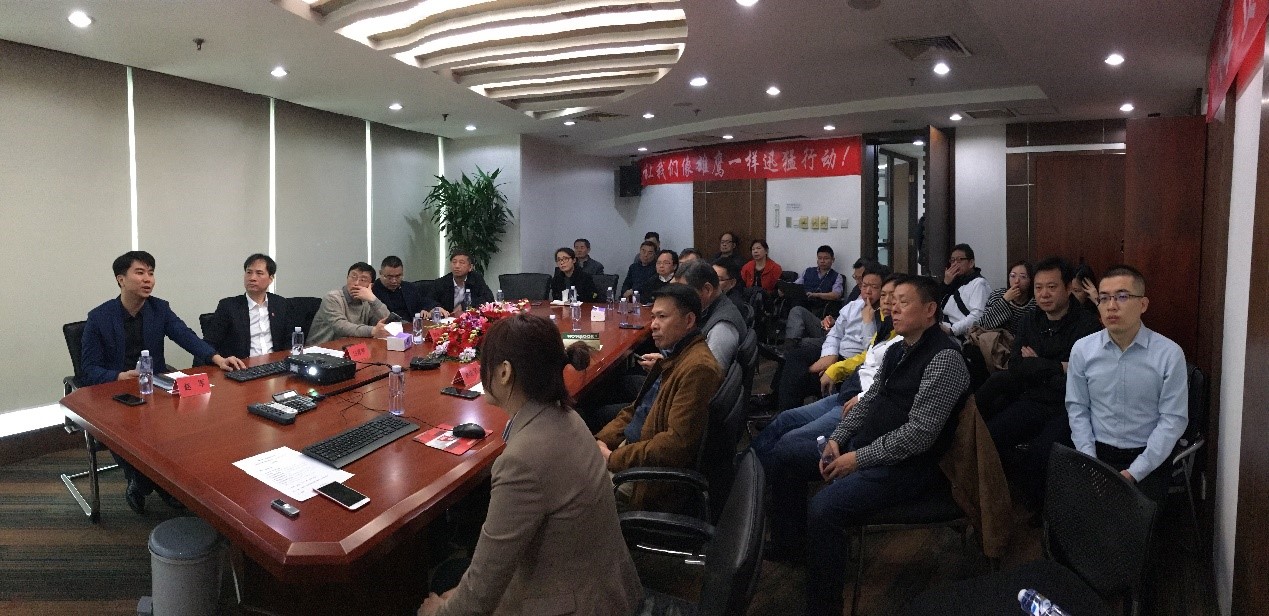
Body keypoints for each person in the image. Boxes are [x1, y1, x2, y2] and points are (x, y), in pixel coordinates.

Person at [765, 275, 970, 615]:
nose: (893, 308)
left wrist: (857, 459)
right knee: (786, 454)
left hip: (910, 467)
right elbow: (869, 400)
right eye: (893, 301)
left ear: (930, 309)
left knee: (825, 508)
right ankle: (793, 548)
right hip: (869, 447)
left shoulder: (945, 359)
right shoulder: (898, 349)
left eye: (904, 302)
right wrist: (838, 438)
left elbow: (919, 435)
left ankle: (824, 606)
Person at [418, 314, 642, 616]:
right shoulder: (567, 417)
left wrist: (436, 612)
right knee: (456, 576)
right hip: (605, 587)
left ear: (504, 372)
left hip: (574, 603)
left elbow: (478, 598)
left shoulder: (522, 462)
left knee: (442, 583)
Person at [81, 250, 246, 514]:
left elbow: (185, 335)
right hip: (116, 392)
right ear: (121, 279)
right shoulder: (99, 317)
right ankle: (139, 480)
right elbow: (89, 369)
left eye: (151, 273)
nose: (148, 279)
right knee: (125, 432)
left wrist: (217, 358)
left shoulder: (160, 309)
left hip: (154, 388)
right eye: (140, 273)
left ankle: (162, 482)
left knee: (184, 427)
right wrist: (119, 376)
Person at [751, 275, 901, 473]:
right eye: (883, 295)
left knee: (789, 439)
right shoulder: (876, 319)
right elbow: (839, 336)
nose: (887, 302)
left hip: (854, 394)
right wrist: (830, 358)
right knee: (788, 403)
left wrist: (845, 376)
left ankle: (755, 474)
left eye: (895, 298)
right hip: (844, 377)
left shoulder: (893, 331)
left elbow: (874, 368)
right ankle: (747, 462)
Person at [980, 258, 1100, 506]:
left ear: (1068, 287)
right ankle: (1011, 498)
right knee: (989, 437)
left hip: (1068, 407)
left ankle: (1043, 509)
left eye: (1052, 287)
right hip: (1033, 399)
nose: (1043, 294)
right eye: (1038, 287)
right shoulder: (1030, 320)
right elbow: (1016, 366)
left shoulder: (1087, 325)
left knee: (1042, 452)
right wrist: (1059, 366)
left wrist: (1037, 365)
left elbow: (1082, 380)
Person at [1066, 265, 1188, 503]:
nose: (1111, 306)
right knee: (1087, 518)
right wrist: (1089, 460)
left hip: (1149, 457)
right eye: (1103, 298)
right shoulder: (1082, 349)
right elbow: (1077, 408)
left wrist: (1135, 472)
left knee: (1136, 522)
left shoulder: (1169, 354)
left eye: (1122, 296)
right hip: (1096, 453)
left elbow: (1173, 420)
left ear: (1143, 304)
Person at [595, 284, 724, 508]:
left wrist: (612, 458)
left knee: (567, 495)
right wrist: (602, 441)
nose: (653, 324)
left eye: (662, 317)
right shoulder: (673, 356)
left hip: (643, 478)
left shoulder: (698, 369)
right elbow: (635, 410)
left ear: (689, 320)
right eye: (653, 316)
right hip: (631, 451)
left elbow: (675, 446)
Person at [775, 262, 886, 411]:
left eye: (874, 287)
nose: (868, 291)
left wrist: (867, 322)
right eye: (864, 285)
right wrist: (829, 356)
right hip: (837, 353)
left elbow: (872, 353)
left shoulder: (886, 316)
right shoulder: (854, 306)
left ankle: (787, 414)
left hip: (853, 363)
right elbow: (835, 334)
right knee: (794, 357)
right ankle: (782, 411)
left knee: (797, 376)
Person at [203, 253, 294, 361]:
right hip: (243, 366)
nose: (252, 278)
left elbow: (289, 341)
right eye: (249, 272)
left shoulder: (280, 304)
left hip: (275, 364)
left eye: (259, 273)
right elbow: (209, 345)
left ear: (271, 278)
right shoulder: (228, 306)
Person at [672, 259, 746, 367]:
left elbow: (707, 374)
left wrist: (668, 367)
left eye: (686, 293)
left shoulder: (722, 329)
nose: (681, 299)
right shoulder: (716, 306)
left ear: (707, 290)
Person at [310, 262, 392, 345]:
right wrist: (373, 331)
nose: (356, 283)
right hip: (321, 348)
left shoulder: (368, 301)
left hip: (350, 347)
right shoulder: (332, 298)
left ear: (371, 285)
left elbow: (389, 323)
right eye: (353, 277)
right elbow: (341, 327)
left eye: (363, 280)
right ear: (347, 278)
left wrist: (373, 300)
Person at [939, 243, 990, 338]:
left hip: (962, 335)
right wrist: (945, 283)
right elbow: (937, 303)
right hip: (945, 327)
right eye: (952, 260)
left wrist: (952, 330)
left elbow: (977, 315)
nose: (954, 264)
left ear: (971, 263)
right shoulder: (953, 281)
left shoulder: (979, 283)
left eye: (959, 260)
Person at [976, 259, 1035, 333]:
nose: (1016, 281)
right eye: (1013, 276)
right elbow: (983, 325)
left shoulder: (1035, 302)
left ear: (1031, 280)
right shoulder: (997, 295)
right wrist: (1004, 300)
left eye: (1023, 277)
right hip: (998, 339)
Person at [429, 250, 495, 314]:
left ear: (470, 267)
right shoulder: (442, 282)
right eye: (454, 262)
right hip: (447, 318)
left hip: (468, 317)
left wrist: (464, 305)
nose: (457, 266)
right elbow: (429, 300)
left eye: (461, 263)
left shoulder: (476, 279)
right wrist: (437, 307)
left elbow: (488, 298)